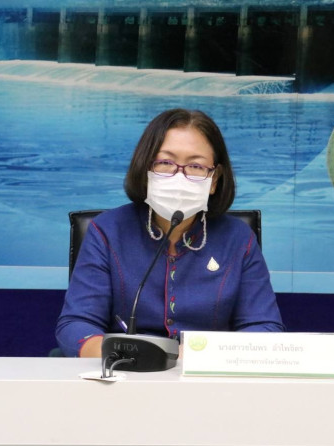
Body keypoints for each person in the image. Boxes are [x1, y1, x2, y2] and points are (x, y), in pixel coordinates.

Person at [56, 108, 284, 357]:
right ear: (146, 167)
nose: (180, 176)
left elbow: (264, 327)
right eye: (165, 163)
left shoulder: (238, 239)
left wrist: (202, 355)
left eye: (196, 166)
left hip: (206, 373)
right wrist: (125, 355)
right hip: (127, 371)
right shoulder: (107, 231)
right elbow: (76, 325)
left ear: (214, 179)